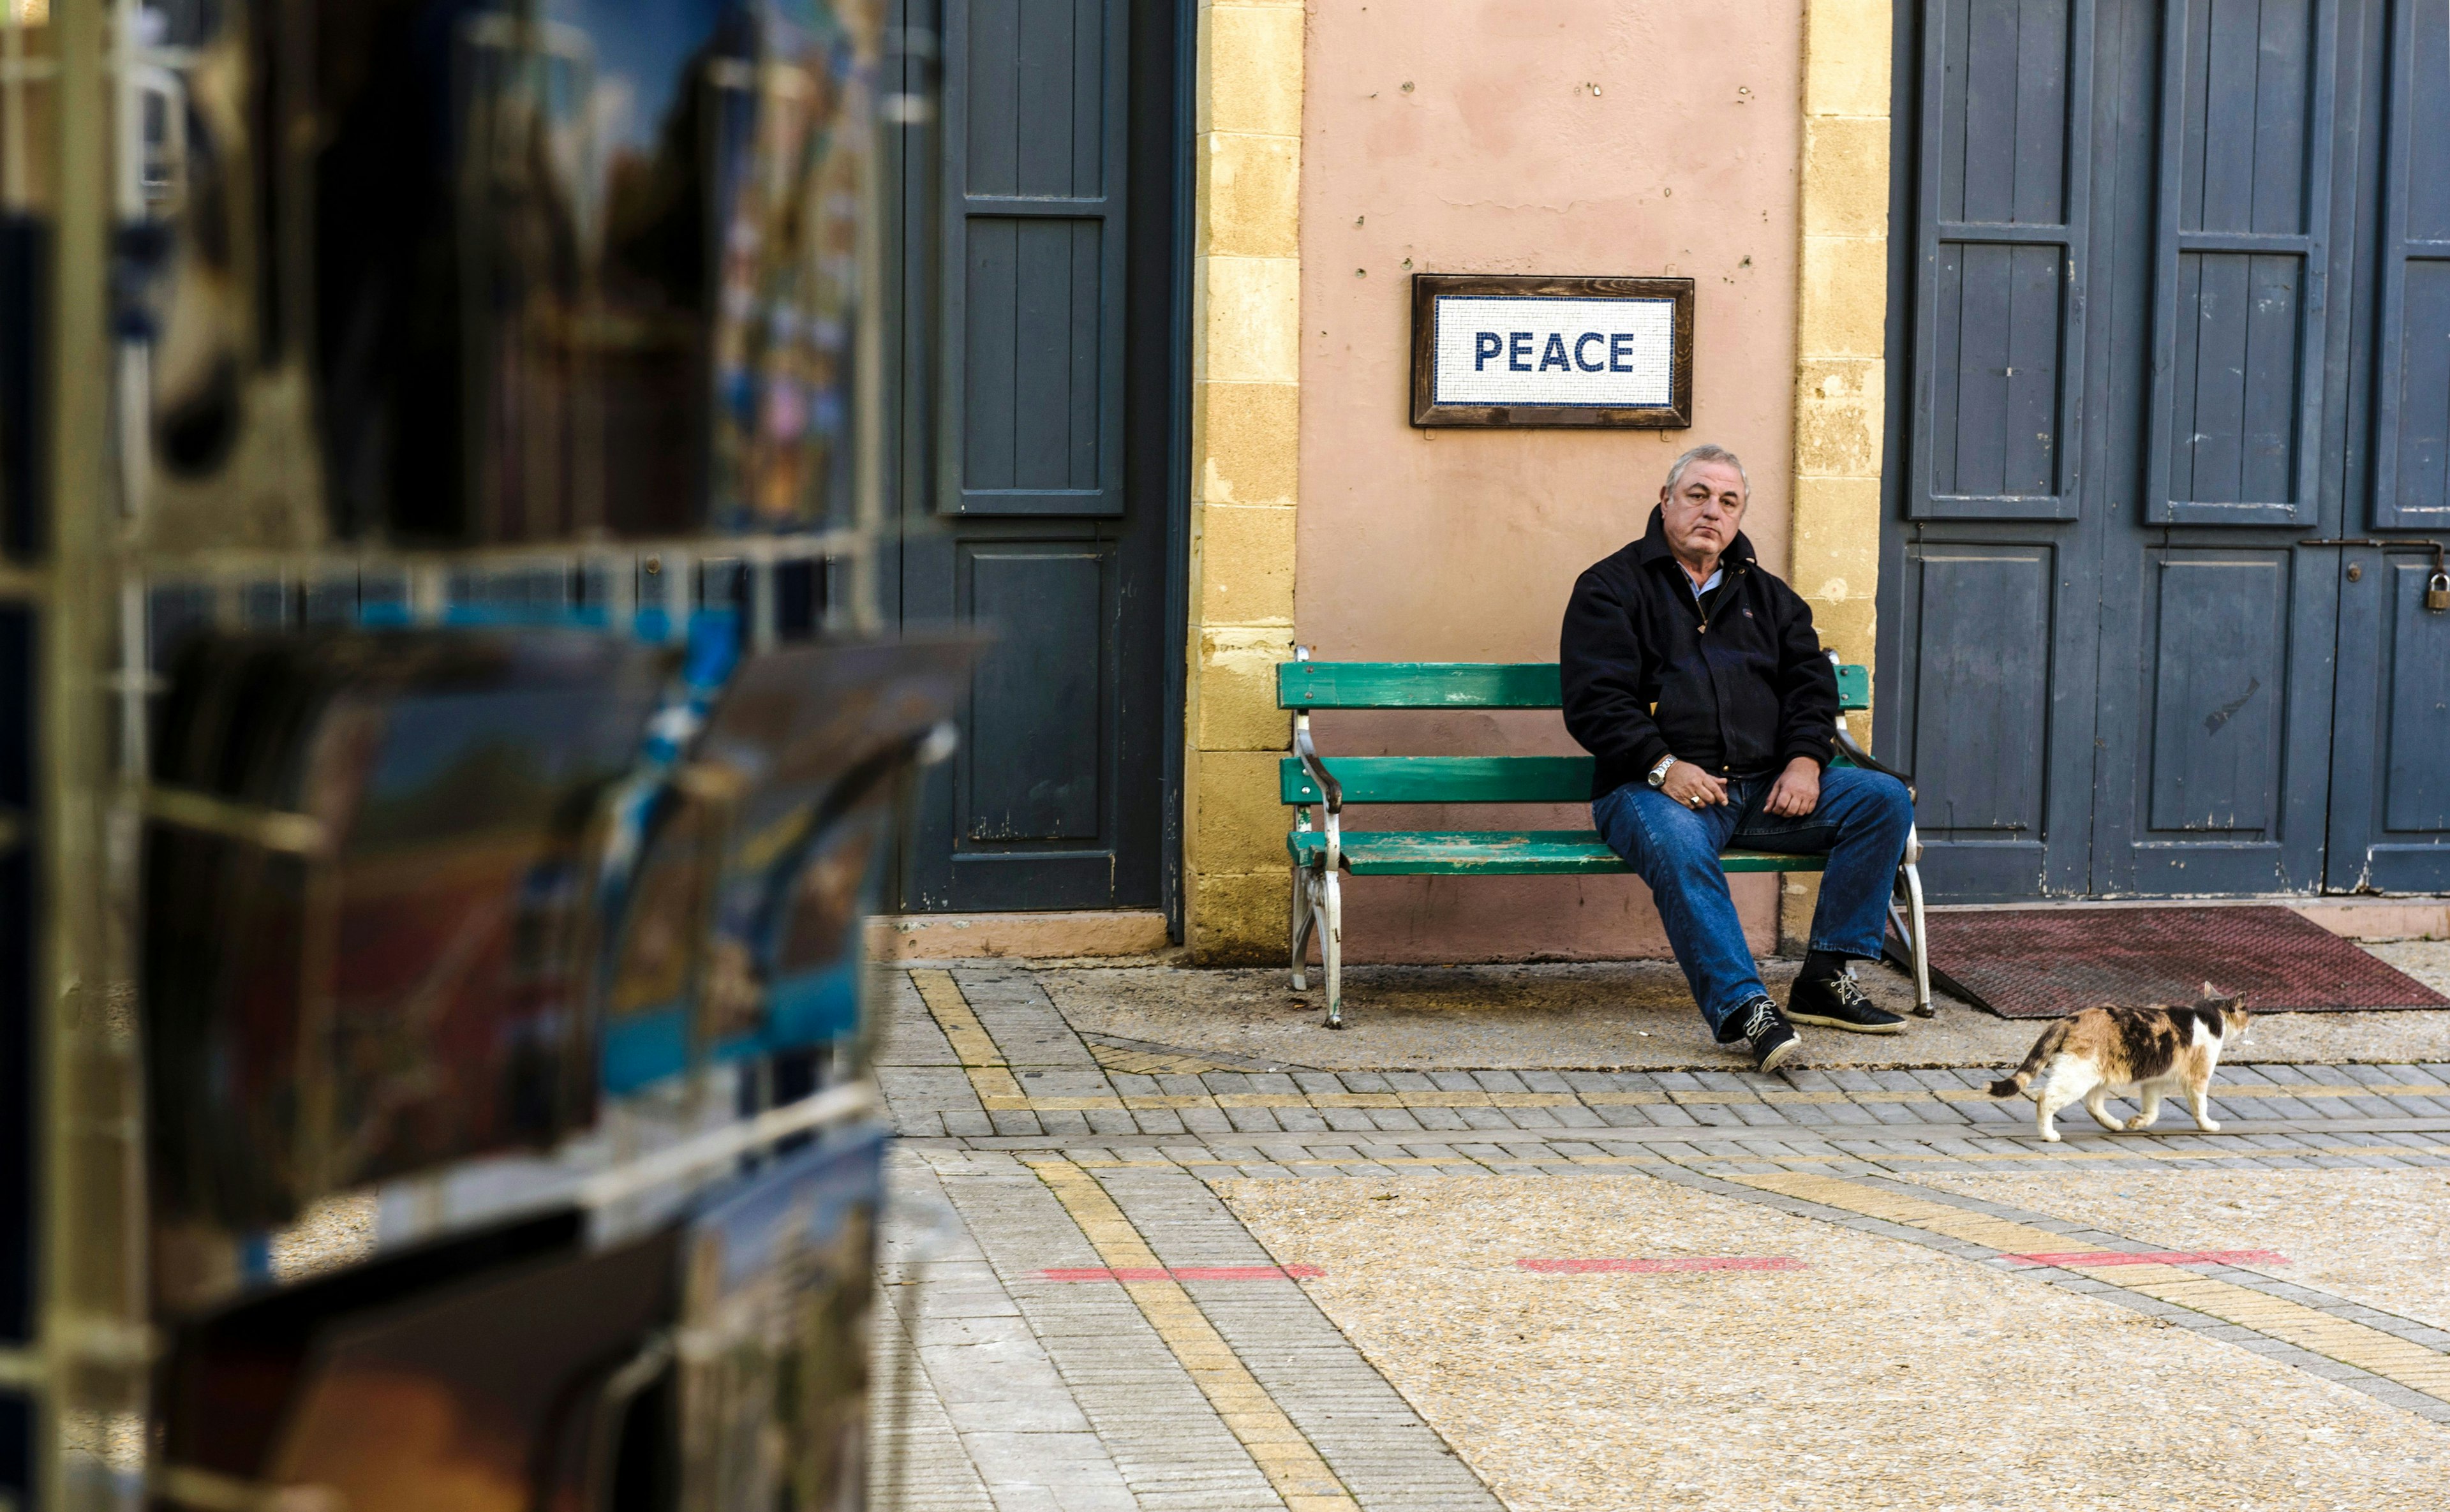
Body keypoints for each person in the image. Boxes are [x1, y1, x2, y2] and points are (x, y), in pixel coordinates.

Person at [1560, 443, 1915, 1071]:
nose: (1711, 512)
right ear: (1665, 501)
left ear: (1740, 514)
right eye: (1697, 495)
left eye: (1728, 501)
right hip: (1649, 792)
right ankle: (1748, 1008)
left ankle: (1824, 980)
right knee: (1679, 843)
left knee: (1883, 799)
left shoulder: (1771, 598)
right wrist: (1666, 767)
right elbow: (1595, 703)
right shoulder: (1609, 588)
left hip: (1764, 790)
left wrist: (1806, 762)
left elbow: (1812, 689)